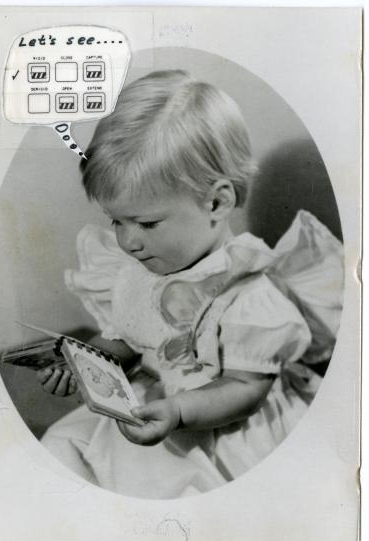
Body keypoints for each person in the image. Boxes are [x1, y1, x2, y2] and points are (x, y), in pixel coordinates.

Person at [38, 70, 344, 499]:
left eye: (145, 223)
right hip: (157, 401)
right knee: (63, 450)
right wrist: (88, 361)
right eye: (116, 222)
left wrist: (179, 412)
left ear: (216, 202)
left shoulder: (248, 292)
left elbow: (245, 388)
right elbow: (134, 340)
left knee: (179, 494)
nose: (128, 241)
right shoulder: (144, 270)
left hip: (219, 421)